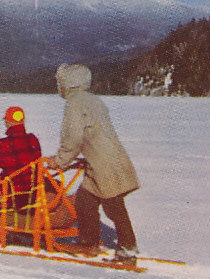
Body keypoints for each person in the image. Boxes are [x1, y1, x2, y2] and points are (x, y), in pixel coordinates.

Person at [44, 63, 140, 265]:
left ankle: (127, 250)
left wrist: (59, 161)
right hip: (108, 159)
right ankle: (88, 243)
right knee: (85, 200)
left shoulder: (75, 103)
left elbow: (73, 137)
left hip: (104, 164)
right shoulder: (93, 100)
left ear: (68, 83)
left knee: (114, 206)